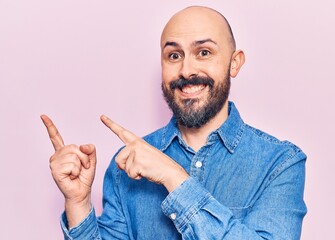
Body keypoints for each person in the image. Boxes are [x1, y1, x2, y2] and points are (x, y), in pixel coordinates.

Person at [41, 6, 307, 240]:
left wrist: (173, 177)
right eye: (174, 56)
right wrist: (77, 202)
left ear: (234, 63)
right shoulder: (125, 165)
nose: (186, 70)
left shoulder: (281, 163)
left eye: (204, 52)